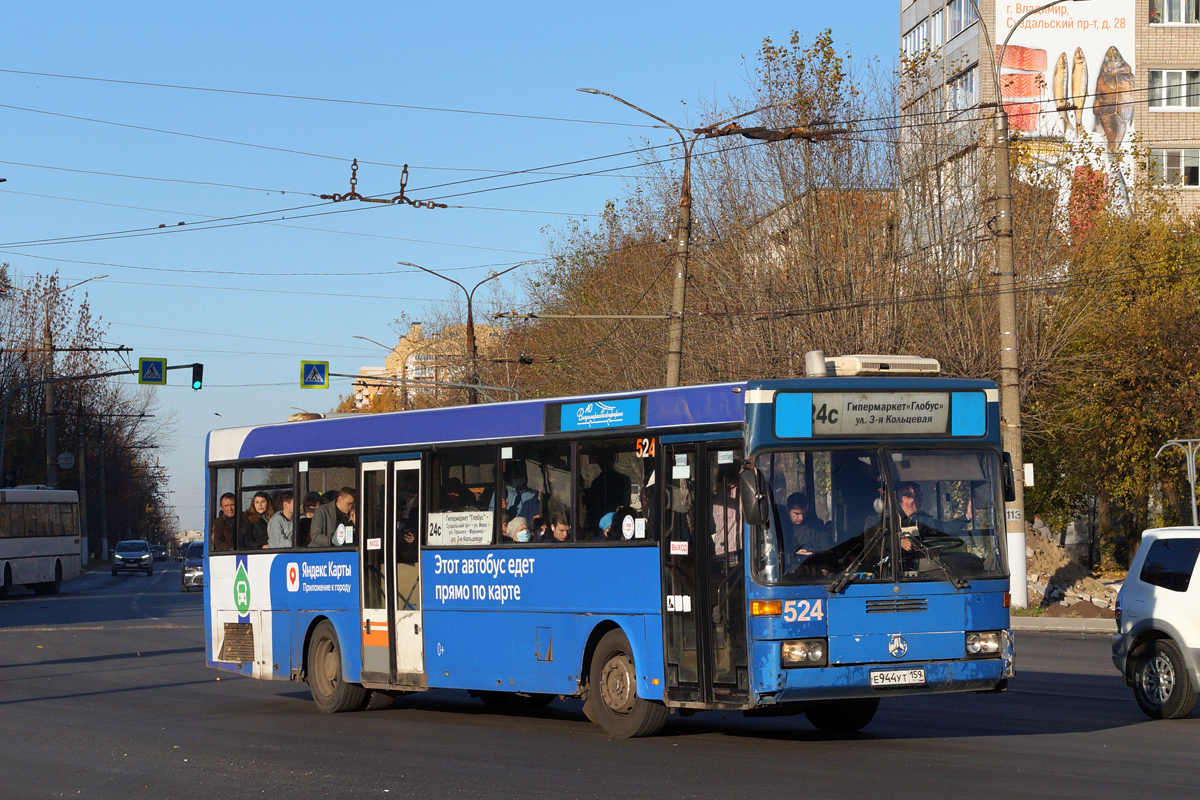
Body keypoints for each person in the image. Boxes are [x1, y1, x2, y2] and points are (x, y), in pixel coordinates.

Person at [786, 492, 832, 557]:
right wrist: (792, 554)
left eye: (804, 513)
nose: (801, 518)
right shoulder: (781, 529)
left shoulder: (816, 526)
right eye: (797, 514)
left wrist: (824, 567)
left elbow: (827, 548)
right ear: (788, 510)